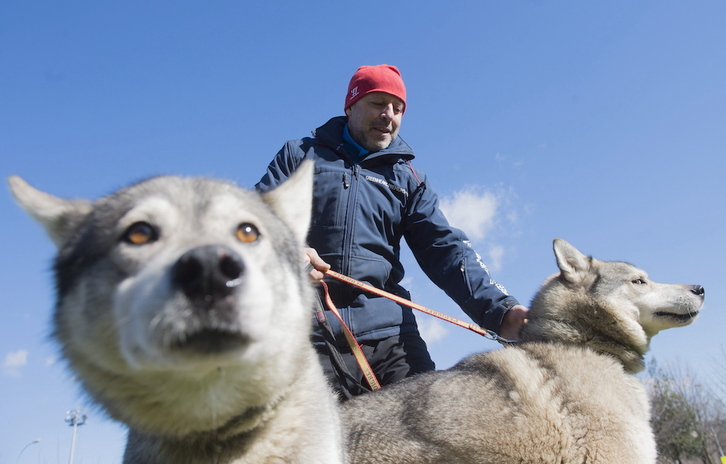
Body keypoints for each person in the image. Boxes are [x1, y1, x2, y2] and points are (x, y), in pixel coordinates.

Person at [256, 64, 528, 398]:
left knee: (435, 422)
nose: (389, 115)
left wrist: (500, 311)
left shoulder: (409, 179)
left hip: (390, 334)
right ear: (351, 105)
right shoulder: (299, 155)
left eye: (397, 108)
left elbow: (446, 249)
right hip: (306, 331)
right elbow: (256, 220)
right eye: (378, 103)